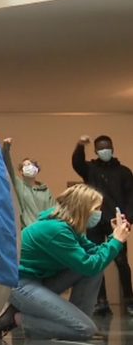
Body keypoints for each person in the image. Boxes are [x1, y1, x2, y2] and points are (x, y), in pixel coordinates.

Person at [0, 184, 130, 341]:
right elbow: (90, 265)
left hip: (39, 281)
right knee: (85, 329)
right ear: (83, 208)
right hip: (20, 285)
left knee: (96, 268)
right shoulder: (56, 230)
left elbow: (94, 255)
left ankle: (75, 324)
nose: (99, 213)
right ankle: (19, 319)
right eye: (96, 208)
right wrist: (117, 240)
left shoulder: (69, 227)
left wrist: (114, 236)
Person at [72, 134, 133, 316]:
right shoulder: (90, 169)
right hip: (95, 221)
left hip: (117, 222)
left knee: (122, 262)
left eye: (107, 147)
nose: (104, 150)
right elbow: (77, 163)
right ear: (96, 151)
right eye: (100, 148)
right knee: (96, 261)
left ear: (112, 148)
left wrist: (128, 219)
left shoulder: (124, 172)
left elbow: (131, 198)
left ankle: (130, 300)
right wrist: (80, 145)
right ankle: (101, 301)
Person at [1, 138, 55, 229]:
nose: (28, 167)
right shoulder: (19, 186)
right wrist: (6, 149)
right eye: (25, 166)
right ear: (21, 172)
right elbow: (8, 167)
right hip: (28, 230)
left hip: (45, 230)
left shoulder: (46, 191)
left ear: (36, 169)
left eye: (30, 164)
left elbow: (54, 211)